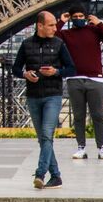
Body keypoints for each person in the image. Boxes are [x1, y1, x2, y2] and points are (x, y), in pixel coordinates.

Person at [12, 11, 76, 190]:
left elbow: (71, 69)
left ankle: (40, 173)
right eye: (51, 25)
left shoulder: (59, 44)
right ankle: (56, 176)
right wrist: (25, 74)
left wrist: (55, 72)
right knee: (43, 139)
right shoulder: (26, 45)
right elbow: (15, 69)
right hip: (33, 96)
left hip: (52, 95)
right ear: (40, 26)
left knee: (47, 135)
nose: (55, 28)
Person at [56, 10, 103, 160]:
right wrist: (61, 21)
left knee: (98, 115)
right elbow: (52, 36)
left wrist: (99, 23)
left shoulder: (94, 30)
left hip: (95, 79)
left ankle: (102, 147)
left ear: (86, 17)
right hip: (74, 78)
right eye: (75, 17)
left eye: (81, 16)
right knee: (78, 116)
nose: (78, 19)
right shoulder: (66, 33)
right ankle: (81, 147)